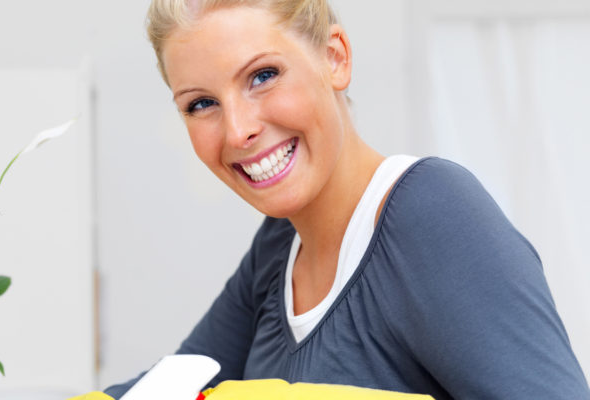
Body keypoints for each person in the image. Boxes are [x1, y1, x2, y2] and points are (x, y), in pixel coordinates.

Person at [73, 0, 590, 398]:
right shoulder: (279, 248)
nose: (237, 130)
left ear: (335, 58)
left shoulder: (430, 212)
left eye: (263, 76)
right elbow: (167, 388)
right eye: (202, 103)